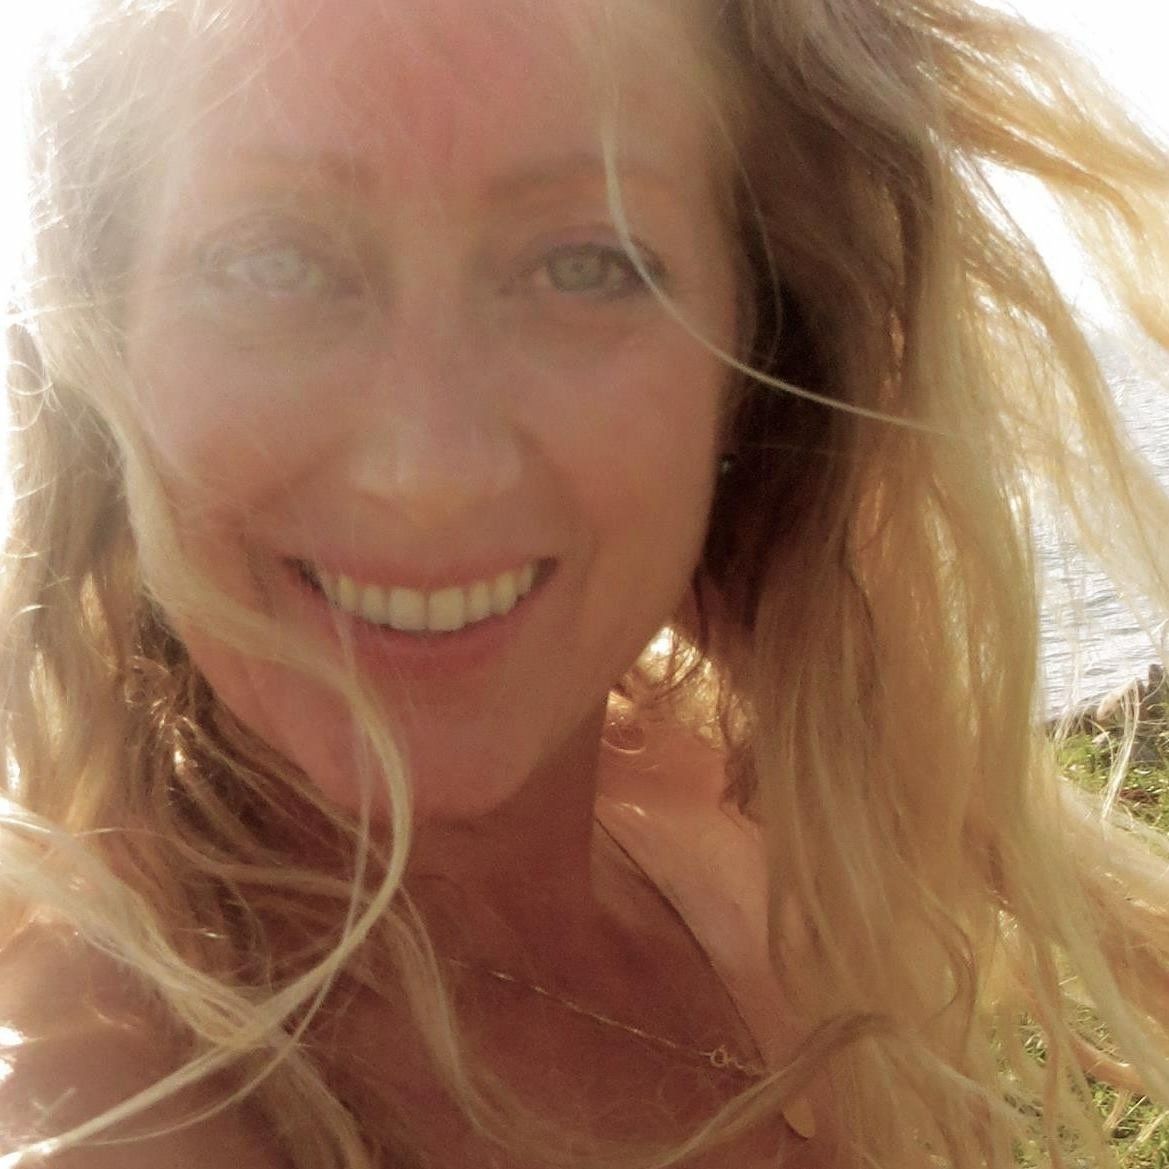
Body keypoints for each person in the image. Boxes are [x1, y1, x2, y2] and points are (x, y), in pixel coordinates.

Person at [0, 0, 1167, 1165]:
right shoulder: (102, 1104)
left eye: (583, 264)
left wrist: (849, 691)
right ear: (104, 349)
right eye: (271, 261)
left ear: (753, 359)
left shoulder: (731, 817)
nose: (428, 474)